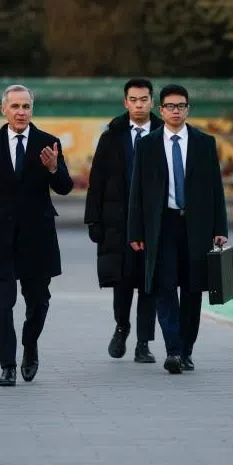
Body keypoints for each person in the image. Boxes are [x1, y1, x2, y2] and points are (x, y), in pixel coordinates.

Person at [0, 84, 73, 387]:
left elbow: (65, 187)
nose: (21, 112)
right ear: (4, 110)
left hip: (37, 237)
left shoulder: (48, 143)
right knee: (1, 304)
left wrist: (54, 168)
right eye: (15, 106)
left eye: (26, 106)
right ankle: (7, 365)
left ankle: (30, 344)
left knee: (38, 302)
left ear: (32, 109)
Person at [127, 84, 228, 374]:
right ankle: (173, 350)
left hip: (196, 225)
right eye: (170, 106)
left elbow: (215, 188)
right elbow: (137, 190)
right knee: (165, 287)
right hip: (163, 225)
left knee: (193, 291)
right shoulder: (147, 145)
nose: (175, 111)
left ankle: (186, 350)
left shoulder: (204, 143)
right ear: (161, 110)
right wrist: (135, 231)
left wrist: (220, 227)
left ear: (188, 109)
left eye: (181, 106)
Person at [85, 78, 162, 363]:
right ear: (125, 102)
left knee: (150, 283)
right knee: (122, 281)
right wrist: (93, 220)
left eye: (144, 100)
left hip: (153, 221)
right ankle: (122, 326)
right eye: (133, 100)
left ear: (152, 102)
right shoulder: (112, 136)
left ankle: (143, 343)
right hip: (118, 221)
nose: (139, 105)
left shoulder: (163, 134)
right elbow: (97, 180)